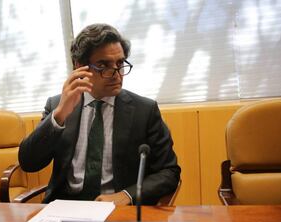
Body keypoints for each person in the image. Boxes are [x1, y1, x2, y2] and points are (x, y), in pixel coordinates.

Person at [19, 23, 180, 205]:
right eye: (103, 65)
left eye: (120, 64)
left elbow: (169, 172)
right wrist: (59, 115)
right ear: (80, 67)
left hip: (118, 210)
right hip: (65, 209)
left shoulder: (144, 110)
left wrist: (127, 195)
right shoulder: (58, 105)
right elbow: (29, 163)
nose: (116, 75)